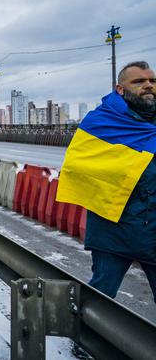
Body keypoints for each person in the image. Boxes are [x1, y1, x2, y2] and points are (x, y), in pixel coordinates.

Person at [80, 61, 156, 300]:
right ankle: (89, 336)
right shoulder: (101, 123)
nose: (148, 86)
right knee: (101, 297)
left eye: (152, 81)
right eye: (139, 81)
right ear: (120, 89)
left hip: (152, 226)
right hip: (112, 227)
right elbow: (84, 168)